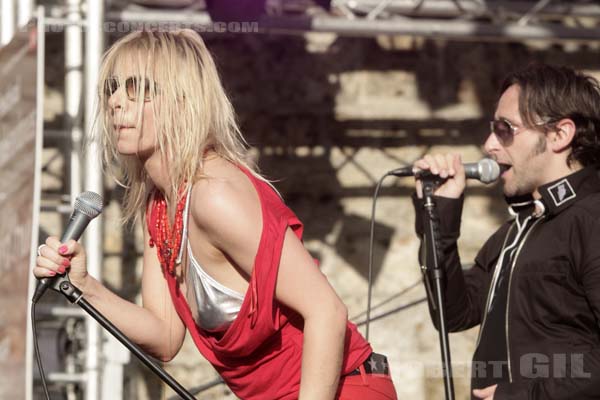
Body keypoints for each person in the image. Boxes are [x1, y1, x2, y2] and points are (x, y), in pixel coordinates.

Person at [34, 29, 397, 400]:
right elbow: (165, 337)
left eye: (138, 87)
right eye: (111, 87)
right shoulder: (159, 208)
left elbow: (327, 311)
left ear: (183, 100)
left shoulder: (215, 195)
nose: (116, 101)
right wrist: (85, 286)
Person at [411, 63, 600, 400]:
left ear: (560, 134)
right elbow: (452, 314)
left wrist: (518, 395)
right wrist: (438, 214)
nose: (489, 145)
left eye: (505, 129)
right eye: (492, 129)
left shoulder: (591, 219)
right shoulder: (515, 232)